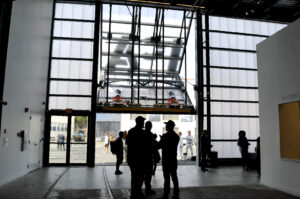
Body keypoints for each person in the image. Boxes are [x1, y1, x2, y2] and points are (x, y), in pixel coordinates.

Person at [126, 116, 147, 199]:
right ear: (139, 122)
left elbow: (127, 143)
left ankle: (134, 193)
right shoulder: (142, 133)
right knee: (140, 177)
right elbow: (145, 146)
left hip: (132, 158)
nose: (144, 124)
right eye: (143, 122)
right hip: (140, 158)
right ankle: (138, 192)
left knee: (134, 176)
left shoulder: (131, 131)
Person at [158, 120, 180, 199]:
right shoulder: (176, 136)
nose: (165, 126)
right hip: (173, 159)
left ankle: (166, 194)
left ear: (170, 126)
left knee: (166, 177)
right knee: (174, 176)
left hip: (166, 160)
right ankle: (176, 193)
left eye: (166, 125)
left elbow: (159, 146)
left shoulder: (165, 136)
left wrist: (160, 139)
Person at [143, 121, 156, 195]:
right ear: (151, 127)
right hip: (148, 157)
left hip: (142, 157)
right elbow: (152, 146)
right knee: (148, 175)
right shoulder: (150, 135)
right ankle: (148, 189)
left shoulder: (141, 134)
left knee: (142, 174)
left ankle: (140, 190)